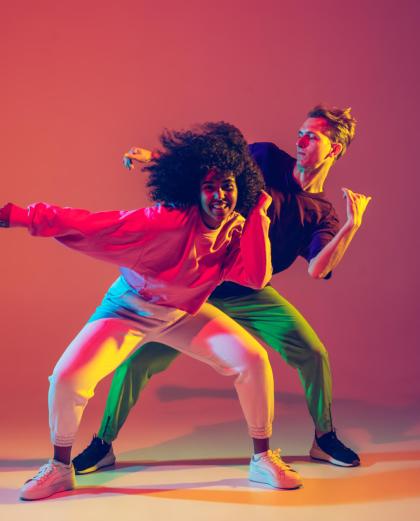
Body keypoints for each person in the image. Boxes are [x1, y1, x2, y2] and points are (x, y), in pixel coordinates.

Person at [0, 122, 303, 500]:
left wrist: (258, 215)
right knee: (66, 379)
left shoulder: (239, 227)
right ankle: (60, 468)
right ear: (195, 191)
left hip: (183, 314)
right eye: (210, 186)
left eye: (228, 185)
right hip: (129, 309)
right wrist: (16, 215)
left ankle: (262, 460)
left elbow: (257, 277)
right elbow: (92, 225)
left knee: (253, 359)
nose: (221, 195)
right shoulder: (166, 221)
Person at [73, 105, 372, 475]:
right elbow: (209, 168)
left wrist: (351, 226)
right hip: (201, 279)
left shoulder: (322, 214)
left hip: (249, 291)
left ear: (335, 150)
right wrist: (157, 159)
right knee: (138, 361)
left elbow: (317, 269)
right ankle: (102, 445)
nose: (301, 140)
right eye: (301, 132)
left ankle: (324, 439)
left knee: (313, 352)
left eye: (313, 136)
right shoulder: (264, 158)